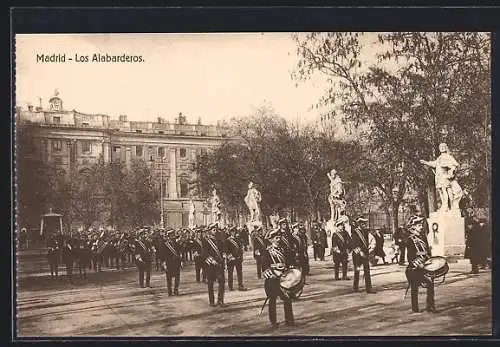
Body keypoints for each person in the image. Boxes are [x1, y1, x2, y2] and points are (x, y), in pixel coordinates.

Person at [262, 228, 295, 327]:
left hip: (284, 278)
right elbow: (264, 266)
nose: (279, 239)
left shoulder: (285, 249)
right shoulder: (267, 251)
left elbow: (290, 261)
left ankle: (289, 320)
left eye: (279, 237)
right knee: (272, 300)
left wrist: (291, 267)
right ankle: (273, 321)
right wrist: (271, 271)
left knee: (287, 298)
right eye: (276, 238)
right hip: (272, 279)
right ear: (271, 239)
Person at [405, 215, 435, 313]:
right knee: (415, 289)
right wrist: (419, 264)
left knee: (430, 284)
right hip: (414, 268)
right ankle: (415, 308)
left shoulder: (422, 237)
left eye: (421, 225)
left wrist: (430, 261)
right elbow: (410, 256)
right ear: (413, 227)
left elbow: (426, 252)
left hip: (424, 266)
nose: (421, 227)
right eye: (418, 225)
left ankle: (430, 306)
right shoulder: (410, 239)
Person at [420, 142, 463, 211]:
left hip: (444, 176)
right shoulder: (439, 158)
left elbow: (455, 165)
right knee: (441, 191)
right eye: (440, 147)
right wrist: (425, 162)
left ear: (446, 148)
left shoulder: (448, 157)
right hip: (439, 177)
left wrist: (451, 173)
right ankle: (445, 205)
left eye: (443, 147)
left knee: (446, 191)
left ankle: (448, 206)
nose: (442, 148)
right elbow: (434, 164)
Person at [201, 223, 227, 307]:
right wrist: (211, 260)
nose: (215, 231)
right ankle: (211, 301)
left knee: (222, 282)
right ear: (210, 231)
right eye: (213, 230)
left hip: (219, 264)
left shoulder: (219, 240)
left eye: (216, 229)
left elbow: (223, 250)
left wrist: (224, 255)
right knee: (210, 283)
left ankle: (220, 300)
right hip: (210, 266)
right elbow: (204, 253)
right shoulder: (206, 241)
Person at [350, 217, 376, 294]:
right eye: (363, 223)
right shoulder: (355, 233)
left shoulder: (366, 232)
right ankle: (355, 287)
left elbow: (371, 241)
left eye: (365, 223)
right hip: (357, 255)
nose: (364, 225)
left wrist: (370, 249)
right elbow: (353, 244)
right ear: (359, 224)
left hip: (365, 254)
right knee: (357, 271)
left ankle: (369, 288)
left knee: (367, 271)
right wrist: (360, 252)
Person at [160, 230, 182, 295]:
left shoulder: (177, 244)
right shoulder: (165, 245)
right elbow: (162, 255)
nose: (173, 237)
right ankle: (169, 291)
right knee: (169, 278)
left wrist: (181, 261)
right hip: (169, 263)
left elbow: (179, 253)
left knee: (177, 277)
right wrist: (164, 263)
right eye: (171, 236)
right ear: (168, 237)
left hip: (176, 263)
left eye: (173, 235)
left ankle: (176, 290)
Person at [331, 215, 351, 281]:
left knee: (345, 263)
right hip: (337, 252)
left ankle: (344, 276)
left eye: (342, 225)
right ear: (337, 226)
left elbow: (348, 240)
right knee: (337, 264)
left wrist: (348, 248)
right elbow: (334, 244)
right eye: (340, 225)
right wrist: (337, 250)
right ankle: (336, 276)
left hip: (344, 250)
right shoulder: (335, 234)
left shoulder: (346, 233)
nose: (342, 227)